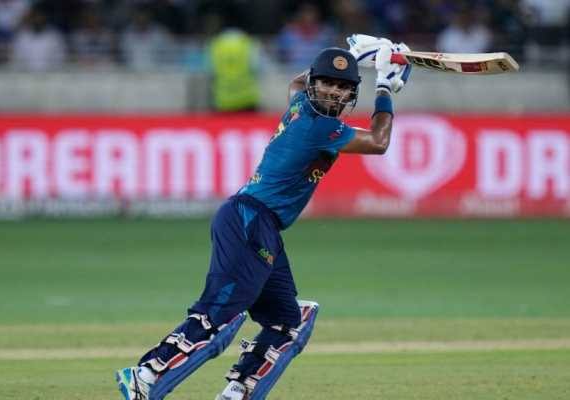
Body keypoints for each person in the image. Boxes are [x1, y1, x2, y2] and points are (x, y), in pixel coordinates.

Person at [115, 41, 410, 400]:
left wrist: (353, 53)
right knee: (219, 313)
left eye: (342, 86)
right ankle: (145, 374)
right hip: (249, 220)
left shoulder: (300, 103)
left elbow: (296, 83)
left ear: (350, 93)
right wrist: (384, 86)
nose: (334, 91)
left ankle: (237, 392)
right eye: (327, 83)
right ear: (316, 83)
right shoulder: (320, 127)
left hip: (260, 225)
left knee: (288, 322)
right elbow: (379, 142)